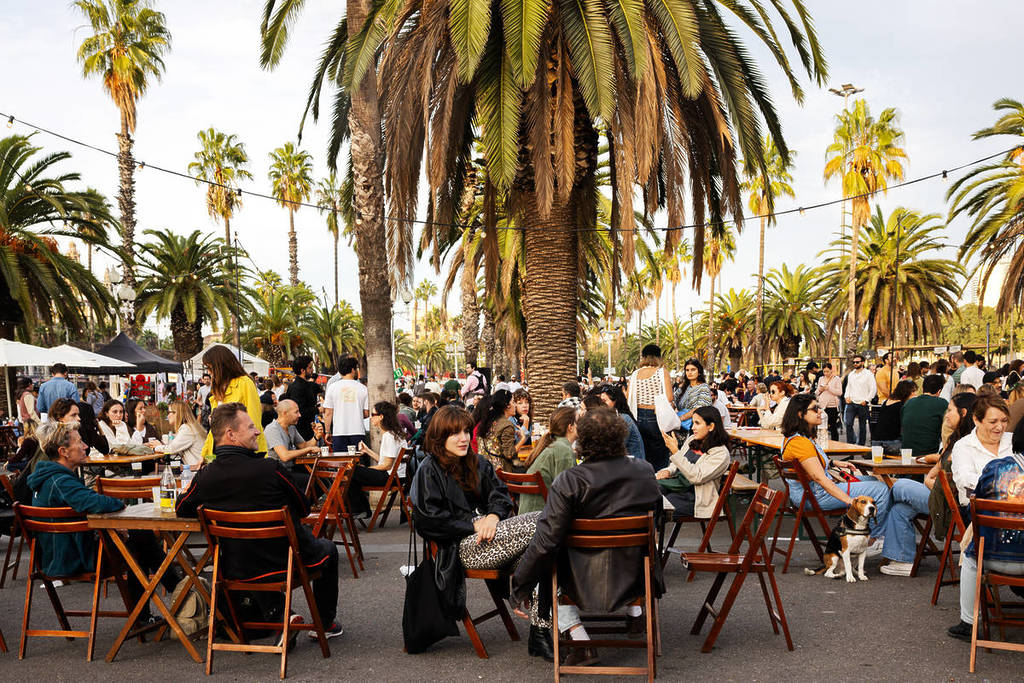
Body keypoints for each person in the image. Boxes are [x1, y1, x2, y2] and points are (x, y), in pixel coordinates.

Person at [510, 407, 663, 666]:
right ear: (620, 438)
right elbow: (656, 520)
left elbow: (545, 542)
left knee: (546, 558)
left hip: (578, 582)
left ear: (582, 441)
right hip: (635, 576)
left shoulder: (570, 481)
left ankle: (579, 639)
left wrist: (520, 585)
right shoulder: (645, 471)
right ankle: (635, 612)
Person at [176, 402, 342, 639]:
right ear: (231, 434)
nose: (257, 431)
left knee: (251, 549)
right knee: (328, 549)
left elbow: (181, 508)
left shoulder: (206, 477)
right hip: (286, 562)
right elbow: (303, 508)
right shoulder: (270, 469)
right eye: (251, 427)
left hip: (236, 568)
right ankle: (323, 625)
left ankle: (279, 616)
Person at [410, 405, 552, 660]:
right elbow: (428, 520)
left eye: (466, 431)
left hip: (491, 539)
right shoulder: (428, 470)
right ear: (440, 437)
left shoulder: (476, 462)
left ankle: (540, 634)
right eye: (456, 433)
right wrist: (473, 524)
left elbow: (500, 495)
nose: (464, 438)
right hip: (458, 549)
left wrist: (493, 516)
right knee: (546, 521)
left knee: (542, 549)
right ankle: (520, 590)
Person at [27, 420, 181, 624]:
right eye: (79, 442)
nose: (85, 446)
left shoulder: (49, 478)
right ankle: (179, 593)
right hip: (72, 557)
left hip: (55, 554)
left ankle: (154, 608)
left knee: (138, 539)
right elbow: (93, 502)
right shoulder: (60, 481)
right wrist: (118, 505)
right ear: (64, 451)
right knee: (140, 540)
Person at [946, 419, 1024, 641]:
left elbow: (976, 506)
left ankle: (968, 622)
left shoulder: (996, 469)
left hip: (994, 558)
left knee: (971, 557)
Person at [781, 393, 891, 547]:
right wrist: (850, 501)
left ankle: (864, 534)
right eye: (815, 408)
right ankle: (871, 540)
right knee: (881, 490)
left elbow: (811, 463)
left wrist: (833, 463)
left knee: (873, 481)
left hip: (809, 493)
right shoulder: (801, 443)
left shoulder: (796, 438)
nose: (820, 411)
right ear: (800, 414)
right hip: (815, 495)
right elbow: (819, 478)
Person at [655, 405, 731, 518]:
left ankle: (652, 534)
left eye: (697, 423)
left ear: (711, 426)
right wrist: (668, 471)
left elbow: (696, 477)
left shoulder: (720, 453)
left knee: (657, 505)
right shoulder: (692, 440)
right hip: (678, 486)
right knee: (648, 491)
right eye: (693, 423)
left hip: (695, 498)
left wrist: (675, 451)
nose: (693, 428)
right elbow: (676, 464)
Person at [200, 345, 267, 460]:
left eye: (210, 368)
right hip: (221, 452)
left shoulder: (245, 383)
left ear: (220, 366)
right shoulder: (217, 389)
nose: (209, 372)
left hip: (243, 453)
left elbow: (253, 420)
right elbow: (215, 429)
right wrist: (204, 455)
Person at [950, 395, 1014, 502]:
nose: (999, 427)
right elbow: (964, 479)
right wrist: (1003, 484)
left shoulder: (1014, 440)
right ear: (976, 420)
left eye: (1004, 420)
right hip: (980, 510)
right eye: (993, 422)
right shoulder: (964, 446)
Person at [348, 402, 407, 517]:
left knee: (351, 471)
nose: (370, 417)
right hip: (396, 476)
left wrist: (368, 469)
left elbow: (387, 465)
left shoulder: (389, 436)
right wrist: (367, 451)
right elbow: (385, 461)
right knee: (354, 472)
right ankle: (361, 509)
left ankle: (359, 509)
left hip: (390, 477)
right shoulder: (393, 434)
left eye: (373, 414)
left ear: (381, 416)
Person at [518, 407, 577, 515]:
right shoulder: (563, 449)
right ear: (570, 427)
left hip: (529, 514)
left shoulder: (555, 444)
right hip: (540, 519)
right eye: (578, 421)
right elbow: (566, 494)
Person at [626, 344, 674, 471]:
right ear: (658, 357)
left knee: (643, 451)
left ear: (643, 357)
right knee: (659, 453)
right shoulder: (661, 372)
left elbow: (628, 396)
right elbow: (669, 397)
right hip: (656, 416)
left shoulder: (635, 374)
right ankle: (658, 482)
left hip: (638, 416)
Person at [322, 356, 369, 453]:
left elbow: (328, 412)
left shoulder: (332, 387)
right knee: (357, 463)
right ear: (352, 370)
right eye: (356, 368)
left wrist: (327, 431)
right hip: (358, 431)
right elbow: (366, 413)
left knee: (341, 463)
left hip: (339, 432)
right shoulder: (363, 388)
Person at [596, 384, 647, 462]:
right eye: (600, 401)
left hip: (633, 467)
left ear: (615, 402)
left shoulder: (624, 419)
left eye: (604, 401)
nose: (601, 405)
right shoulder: (612, 418)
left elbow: (614, 448)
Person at [901, 374, 948, 457]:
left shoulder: (909, 403)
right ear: (939, 391)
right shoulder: (942, 403)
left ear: (922, 388)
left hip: (906, 452)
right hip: (929, 454)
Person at [475, 389, 519, 471]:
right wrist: (523, 439)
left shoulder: (487, 421)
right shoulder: (507, 425)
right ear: (507, 406)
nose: (515, 405)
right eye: (513, 402)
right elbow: (509, 454)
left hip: (483, 469)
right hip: (500, 473)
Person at [284, 355, 323, 440]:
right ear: (302, 370)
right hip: (302, 432)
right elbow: (299, 411)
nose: (312, 370)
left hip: (307, 429)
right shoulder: (298, 387)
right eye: (310, 368)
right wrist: (317, 410)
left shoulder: (304, 385)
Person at [871, 379, 915, 455]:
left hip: (876, 443)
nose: (915, 394)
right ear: (906, 392)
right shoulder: (902, 405)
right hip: (891, 443)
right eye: (913, 392)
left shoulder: (887, 402)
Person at [161, 400, 206, 469]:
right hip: (199, 469)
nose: (168, 415)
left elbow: (171, 449)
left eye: (169, 412)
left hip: (197, 472)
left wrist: (156, 447)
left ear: (177, 414)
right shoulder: (191, 426)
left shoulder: (187, 428)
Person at [844, 353, 877, 445]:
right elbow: (848, 387)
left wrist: (866, 400)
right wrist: (846, 397)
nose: (855, 364)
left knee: (862, 426)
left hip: (863, 403)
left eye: (857, 362)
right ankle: (850, 444)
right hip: (851, 402)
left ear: (862, 362)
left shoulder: (868, 374)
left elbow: (873, 388)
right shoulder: (851, 374)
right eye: (854, 362)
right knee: (848, 423)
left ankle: (860, 445)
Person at [675, 358, 712, 426]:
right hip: (679, 426)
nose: (690, 372)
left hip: (695, 427)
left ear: (699, 372)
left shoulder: (703, 387)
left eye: (693, 370)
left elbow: (699, 408)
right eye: (687, 370)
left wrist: (680, 418)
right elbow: (672, 400)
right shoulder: (683, 388)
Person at [816, 363, 843, 441]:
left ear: (831, 370)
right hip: (822, 405)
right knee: (821, 426)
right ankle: (822, 442)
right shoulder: (821, 378)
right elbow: (817, 391)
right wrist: (820, 389)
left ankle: (835, 442)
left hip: (832, 405)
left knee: (832, 426)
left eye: (828, 371)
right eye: (824, 371)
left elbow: (839, 392)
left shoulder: (836, 379)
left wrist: (828, 388)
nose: (826, 373)